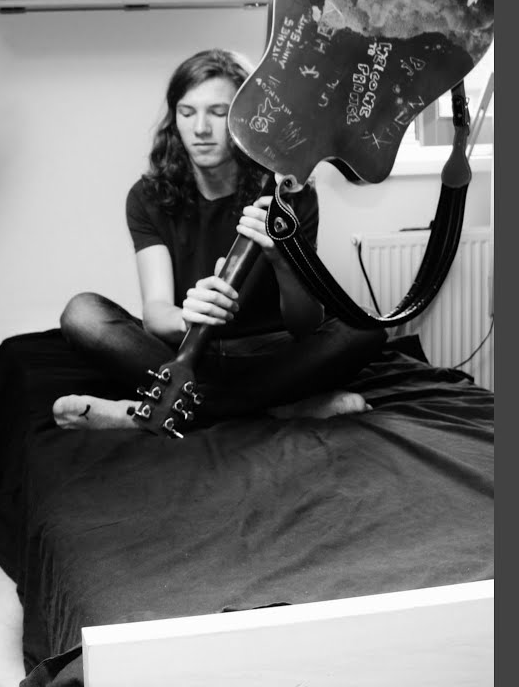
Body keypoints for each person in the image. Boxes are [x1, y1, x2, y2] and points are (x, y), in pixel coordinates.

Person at [53, 48, 386, 432]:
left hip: (273, 355)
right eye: (187, 112)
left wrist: (282, 260)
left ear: (245, 118)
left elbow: (305, 323)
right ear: (174, 120)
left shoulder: (290, 194)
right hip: (193, 349)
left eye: (218, 112)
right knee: (83, 315)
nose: (200, 129)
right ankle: (274, 409)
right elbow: (156, 313)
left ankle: (153, 410)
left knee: (367, 327)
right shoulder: (147, 197)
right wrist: (186, 318)